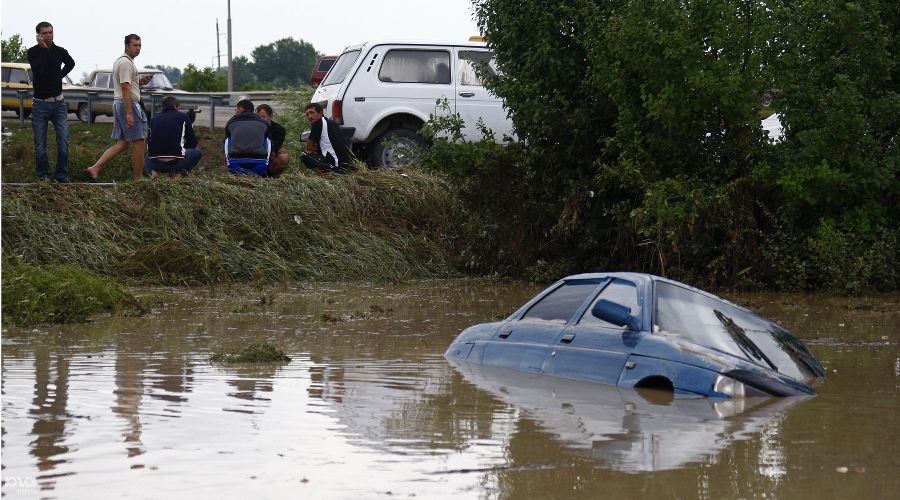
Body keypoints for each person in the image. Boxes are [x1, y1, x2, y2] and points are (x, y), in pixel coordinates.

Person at [84, 34, 152, 182]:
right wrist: (129, 113)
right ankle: (138, 178)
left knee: (123, 143)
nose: (138, 48)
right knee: (140, 140)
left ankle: (95, 168)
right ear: (126, 46)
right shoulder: (126, 63)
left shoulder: (122, 62)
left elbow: (128, 86)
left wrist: (139, 82)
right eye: (135, 45)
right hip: (128, 104)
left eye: (140, 45)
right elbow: (125, 88)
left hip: (120, 102)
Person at [27, 21, 75, 182]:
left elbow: (71, 63)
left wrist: (59, 75)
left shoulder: (60, 51)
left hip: (59, 104)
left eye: (50, 32)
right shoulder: (33, 52)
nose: (48, 35)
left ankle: (61, 175)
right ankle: (43, 176)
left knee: (63, 142)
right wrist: (44, 50)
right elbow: (39, 69)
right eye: (45, 33)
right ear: (38, 36)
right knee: (40, 145)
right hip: (40, 104)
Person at [144, 96, 201, 178]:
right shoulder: (183, 117)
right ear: (176, 107)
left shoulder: (154, 119)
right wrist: (183, 148)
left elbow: (149, 143)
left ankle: (153, 172)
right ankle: (180, 175)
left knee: (146, 156)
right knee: (197, 152)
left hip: (156, 164)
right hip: (177, 163)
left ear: (163, 107)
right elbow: (193, 142)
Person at [300, 103, 352, 173]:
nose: (309, 116)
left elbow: (308, 147)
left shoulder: (317, 123)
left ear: (321, 113)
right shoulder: (332, 123)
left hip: (336, 167)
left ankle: (325, 175)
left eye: (312, 113)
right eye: (307, 114)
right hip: (346, 166)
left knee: (304, 155)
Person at [224, 99, 270, 176]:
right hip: (260, 165)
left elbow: (226, 139)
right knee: (267, 139)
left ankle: (229, 161)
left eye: (236, 110)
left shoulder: (231, 121)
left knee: (228, 139)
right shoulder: (263, 122)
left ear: (240, 109)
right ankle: (266, 164)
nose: (235, 112)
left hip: (235, 166)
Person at [255, 104, 288, 177]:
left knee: (283, 156)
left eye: (263, 117)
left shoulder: (279, 129)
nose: (260, 120)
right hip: (256, 155)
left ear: (270, 117)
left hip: (270, 154)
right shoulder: (253, 128)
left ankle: (272, 176)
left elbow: (276, 147)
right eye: (258, 117)